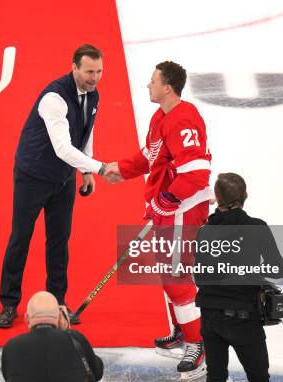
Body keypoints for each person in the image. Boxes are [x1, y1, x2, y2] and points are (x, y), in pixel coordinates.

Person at [105, 61, 213, 376]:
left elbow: (196, 172)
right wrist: (122, 169)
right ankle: (184, 329)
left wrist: (168, 199)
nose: (148, 86)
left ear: (167, 87)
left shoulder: (184, 119)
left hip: (182, 207)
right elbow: (151, 155)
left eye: (152, 81)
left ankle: (198, 345)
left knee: (176, 277)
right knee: (168, 274)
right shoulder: (160, 116)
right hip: (168, 206)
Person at [0, 44, 110, 328]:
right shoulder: (53, 98)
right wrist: (101, 167)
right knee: (21, 237)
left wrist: (86, 171)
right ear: (74, 67)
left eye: (98, 71)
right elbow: (63, 148)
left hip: (62, 180)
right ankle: (9, 303)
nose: (94, 77)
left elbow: (86, 130)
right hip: (33, 176)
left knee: (59, 241)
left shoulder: (93, 94)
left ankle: (58, 302)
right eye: (88, 71)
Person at [195, 173, 283, 382]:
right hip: (244, 317)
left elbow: (200, 278)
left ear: (217, 199)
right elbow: (278, 269)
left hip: (210, 317)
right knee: (258, 377)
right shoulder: (257, 227)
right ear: (245, 195)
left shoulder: (204, 232)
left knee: (215, 377)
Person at [1, 291, 104, 381]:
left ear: (27, 319)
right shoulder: (75, 339)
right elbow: (97, 372)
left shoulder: (12, 346)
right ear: (60, 317)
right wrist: (67, 332)